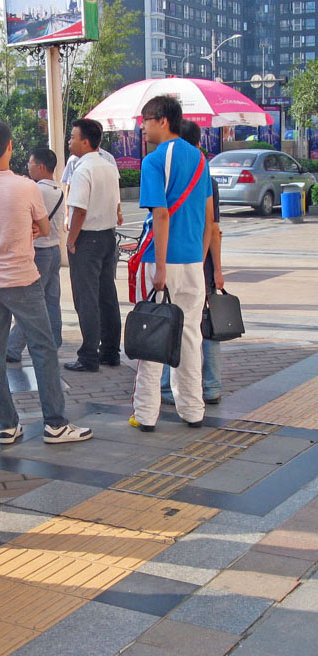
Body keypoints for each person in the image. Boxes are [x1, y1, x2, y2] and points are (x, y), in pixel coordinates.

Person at [0, 118, 92, 445]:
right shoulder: (26, 186)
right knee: (43, 349)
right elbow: (45, 229)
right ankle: (55, 423)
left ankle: (6, 426)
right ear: (10, 146)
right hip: (23, 277)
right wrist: (29, 228)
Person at [130, 96, 213, 432]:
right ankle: (193, 410)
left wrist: (161, 266)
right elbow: (209, 219)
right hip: (194, 262)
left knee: (153, 333)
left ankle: (146, 414)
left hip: (160, 260)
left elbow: (161, 214)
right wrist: (197, 253)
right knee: (190, 336)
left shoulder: (153, 161)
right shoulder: (199, 158)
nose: (142, 126)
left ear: (162, 120)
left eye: (146, 119)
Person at [161, 119, 225, 406]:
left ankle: (165, 386)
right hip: (201, 262)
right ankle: (210, 386)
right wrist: (216, 269)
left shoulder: (166, 172)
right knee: (205, 324)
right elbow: (212, 227)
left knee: (169, 320)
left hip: (173, 259)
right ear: (199, 144)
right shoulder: (205, 175)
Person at [65, 119, 122, 372]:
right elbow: (118, 206)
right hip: (109, 237)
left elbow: (79, 210)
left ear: (85, 141)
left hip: (87, 239)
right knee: (107, 296)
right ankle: (110, 351)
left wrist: (71, 239)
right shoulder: (109, 166)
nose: (70, 141)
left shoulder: (82, 169)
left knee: (86, 298)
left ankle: (88, 355)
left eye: (73, 137)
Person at [6, 147, 64, 362]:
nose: (28, 169)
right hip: (54, 250)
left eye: (30, 165)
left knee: (29, 303)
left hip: (39, 252)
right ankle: (54, 342)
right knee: (51, 301)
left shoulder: (37, 190)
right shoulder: (57, 189)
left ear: (40, 167)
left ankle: (12, 348)